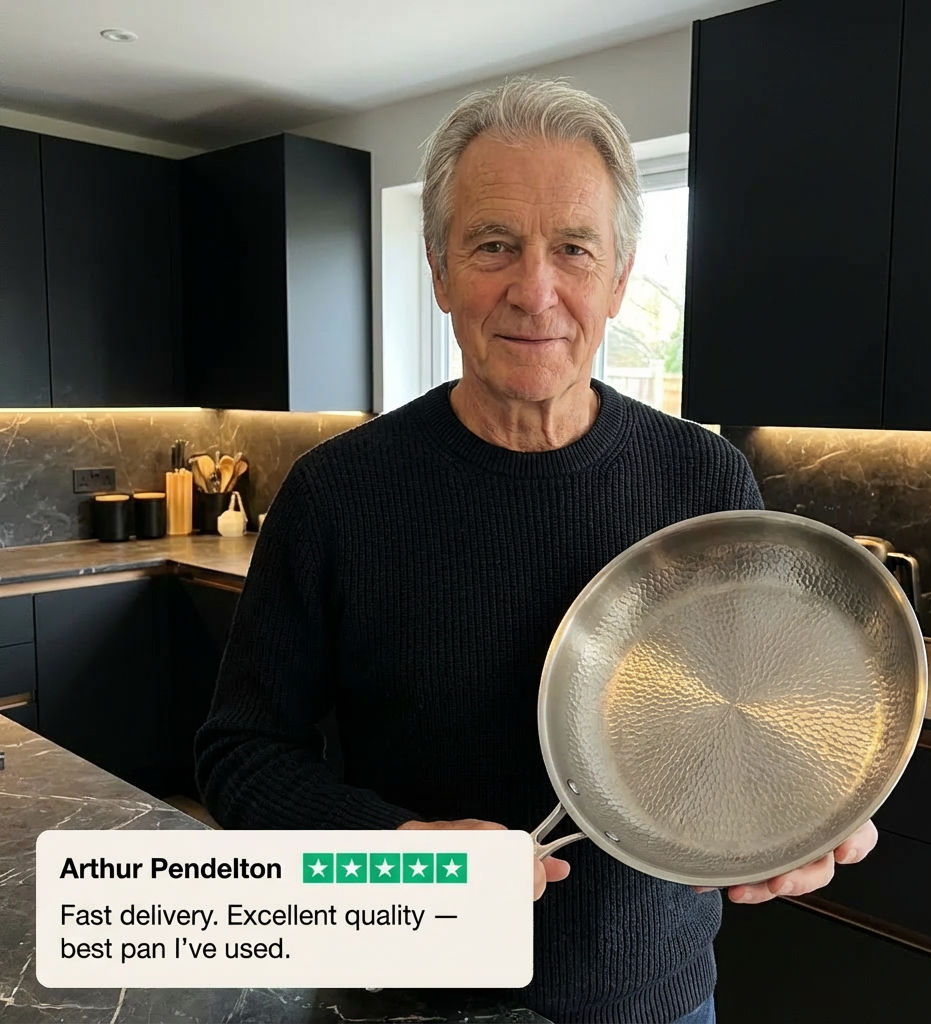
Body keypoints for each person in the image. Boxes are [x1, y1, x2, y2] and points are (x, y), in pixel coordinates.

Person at [195, 76, 877, 1024]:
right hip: (413, 1000)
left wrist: (811, 806)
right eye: (493, 245)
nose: (535, 290)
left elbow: (756, 712)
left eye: (574, 249)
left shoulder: (705, 479)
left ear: (619, 278)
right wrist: (397, 847)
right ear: (439, 271)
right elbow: (241, 755)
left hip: (655, 1001)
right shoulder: (336, 494)